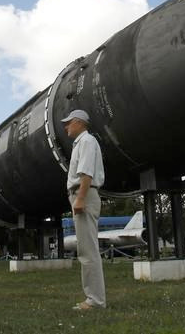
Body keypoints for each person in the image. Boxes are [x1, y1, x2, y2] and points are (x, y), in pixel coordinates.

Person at [62, 109, 106, 311]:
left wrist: (79, 198)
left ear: (79, 122)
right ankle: (93, 298)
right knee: (86, 248)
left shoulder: (87, 142)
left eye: (69, 122)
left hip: (84, 194)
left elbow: (86, 172)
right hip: (83, 194)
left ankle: (95, 301)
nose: (66, 126)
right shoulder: (82, 143)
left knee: (88, 250)